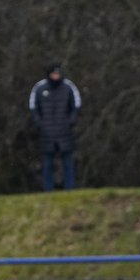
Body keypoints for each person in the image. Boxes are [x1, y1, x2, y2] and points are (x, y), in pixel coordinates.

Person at [29, 62, 82, 191]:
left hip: (64, 131)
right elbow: (33, 108)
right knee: (47, 163)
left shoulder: (68, 87)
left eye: (58, 74)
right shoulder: (39, 88)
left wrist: (70, 122)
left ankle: (70, 188)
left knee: (67, 161)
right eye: (54, 73)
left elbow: (76, 106)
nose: (56, 76)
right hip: (46, 133)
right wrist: (40, 124)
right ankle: (48, 189)